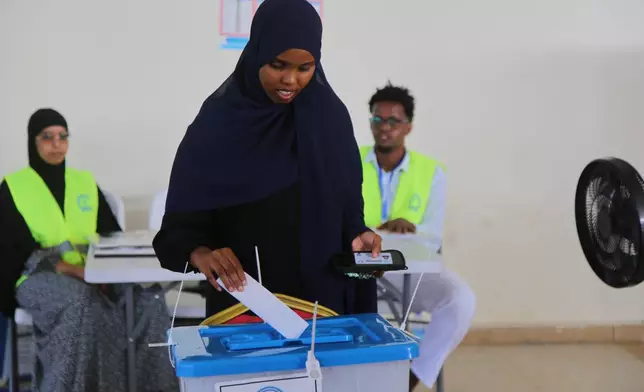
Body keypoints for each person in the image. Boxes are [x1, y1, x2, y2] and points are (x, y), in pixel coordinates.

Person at [154, 0, 381, 322]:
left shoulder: (329, 120)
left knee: (323, 372)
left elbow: (346, 206)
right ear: (257, 53)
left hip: (323, 303)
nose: (291, 80)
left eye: (305, 68)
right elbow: (177, 231)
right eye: (278, 65)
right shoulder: (217, 125)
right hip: (246, 302)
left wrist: (358, 234)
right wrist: (202, 252)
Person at [0, 108, 178, 392]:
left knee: (149, 300)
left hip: (93, 271)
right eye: (47, 137)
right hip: (37, 275)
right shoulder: (14, 187)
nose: (56, 144)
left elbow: (112, 235)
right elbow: (14, 249)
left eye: (62, 136)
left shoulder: (84, 182)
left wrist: (105, 273)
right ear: (33, 141)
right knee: (81, 303)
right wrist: (76, 271)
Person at [362, 83, 477, 391]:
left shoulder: (432, 172)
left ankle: (407, 382)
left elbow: (432, 234)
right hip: (358, 269)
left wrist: (404, 229)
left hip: (410, 271)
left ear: (408, 127)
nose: (384, 128)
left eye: (393, 121)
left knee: (460, 299)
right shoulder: (349, 161)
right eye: (377, 119)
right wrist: (383, 229)